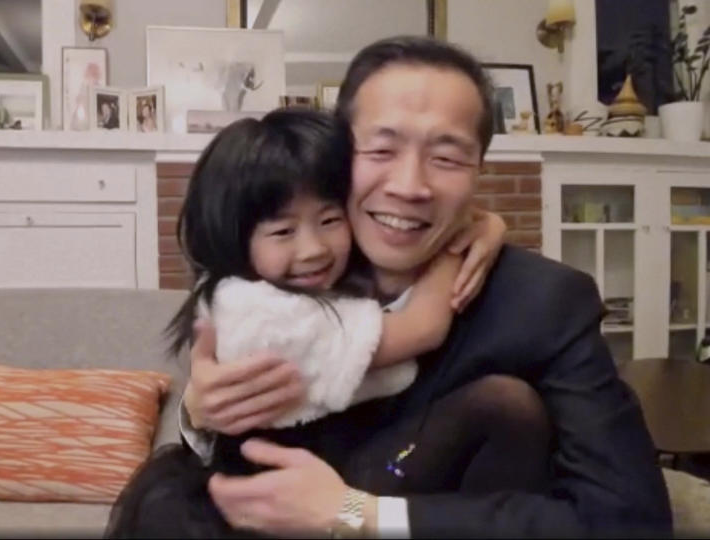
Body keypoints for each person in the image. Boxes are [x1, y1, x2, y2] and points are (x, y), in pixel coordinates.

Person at [177, 36, 671, 537]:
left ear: (480, 168)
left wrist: (358, 515)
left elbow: (630, 520)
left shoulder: (544, 302)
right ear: (335, 155)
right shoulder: (280, 277)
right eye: (382, 148)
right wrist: (197, 413)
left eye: (447, 158)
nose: (410, 186)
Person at [105, 110, 508, 537]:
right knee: (500, 403)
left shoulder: (325, 284)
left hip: (336, 479)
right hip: (276, 504)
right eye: (282, 232)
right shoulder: (263, 315)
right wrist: (458, 236)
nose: (314, 249)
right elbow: (423, 328)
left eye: (330, 220)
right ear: (234, 238)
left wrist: (480, 223)